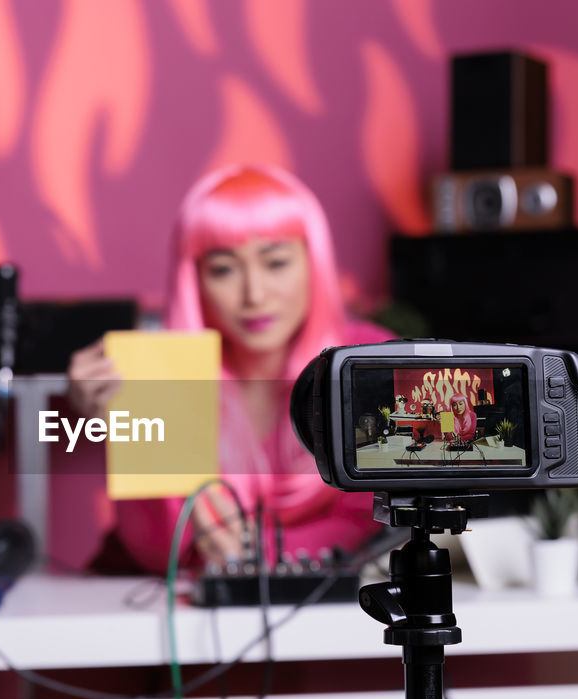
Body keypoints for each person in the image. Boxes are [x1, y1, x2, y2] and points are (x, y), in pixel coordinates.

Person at [68, 164, 390, 572]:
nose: (254, 294)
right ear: (195, 279)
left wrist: (261, 553)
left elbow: (374, 521)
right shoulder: (160, 372)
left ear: (315, 261)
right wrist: (126, 422)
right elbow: (159, 549)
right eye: (223, 269)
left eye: (275, 263)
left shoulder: (371, 357)